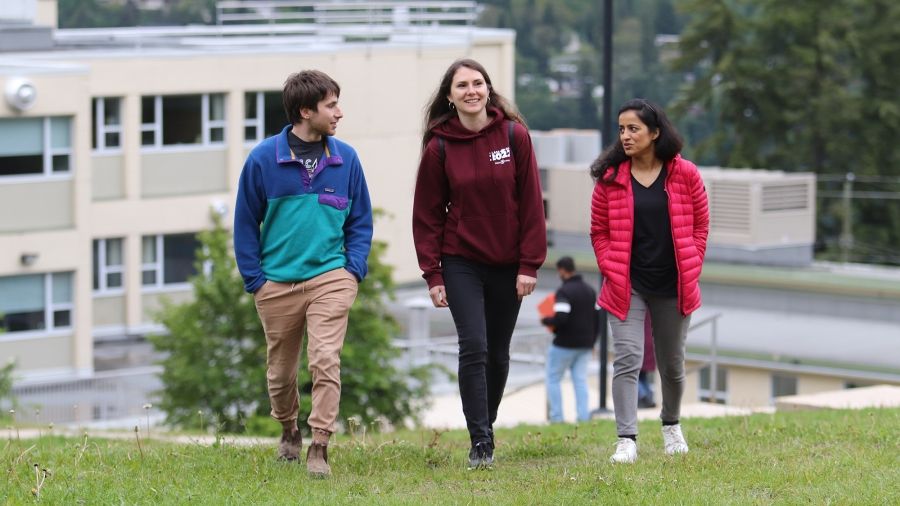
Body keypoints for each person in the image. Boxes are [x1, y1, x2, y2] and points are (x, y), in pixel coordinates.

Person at [234, 70, 373, 477]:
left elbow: (360, 220)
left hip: (331, 277)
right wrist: (255, 281)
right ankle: (288, 431)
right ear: (305, 110)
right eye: (331, 106)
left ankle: (320, 447)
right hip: (276, 283)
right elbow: (245, 223)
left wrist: (352, 270)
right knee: (280, 373)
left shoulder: (346, 158)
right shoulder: (263, 159)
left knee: (325, 359)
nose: (339, 113)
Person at [412, 58, 547, 469]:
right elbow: (428, 213)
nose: (471, 91)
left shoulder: (513, 135)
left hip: (509, 263)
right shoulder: (439, 146)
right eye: (462, 86)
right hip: (461, 260)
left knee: (498, 353)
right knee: (474, 345)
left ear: (488, 89)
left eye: (478, 83)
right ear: (450, 97)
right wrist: (433, 273)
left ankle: (485, 422)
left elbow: (530, 204)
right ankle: (480, 442)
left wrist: (530, 264)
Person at [589, 98, 709, 464]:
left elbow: (701, 225)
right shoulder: (610, 179)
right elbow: (599, 232)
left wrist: (693, 260)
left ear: (655, 133)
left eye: (633, 129)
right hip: (628, 286)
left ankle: (671, 425)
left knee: (672, 363)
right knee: (627, 358)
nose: (625, 136)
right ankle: (627, 438)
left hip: (674, 285)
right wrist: (612, 266)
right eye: (621, 129)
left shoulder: (685, 173)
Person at [541, 256, 598, 424]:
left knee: (553, 378)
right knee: (580, 380)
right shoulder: (590, 290)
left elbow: (561, 317)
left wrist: (546, 321)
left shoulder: (564, 291)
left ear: (561, 270)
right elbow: (597, 319)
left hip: (564, 344)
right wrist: (593, 341)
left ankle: (557, 418)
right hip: (586, 344)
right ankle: (583, 417)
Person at [638, 316, 657, 409]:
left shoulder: (640, 310)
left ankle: (643, 396)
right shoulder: (652, 310)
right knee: (643, 377)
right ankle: (649, 398)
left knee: (632, 374)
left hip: (641, 344)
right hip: (650, 345)